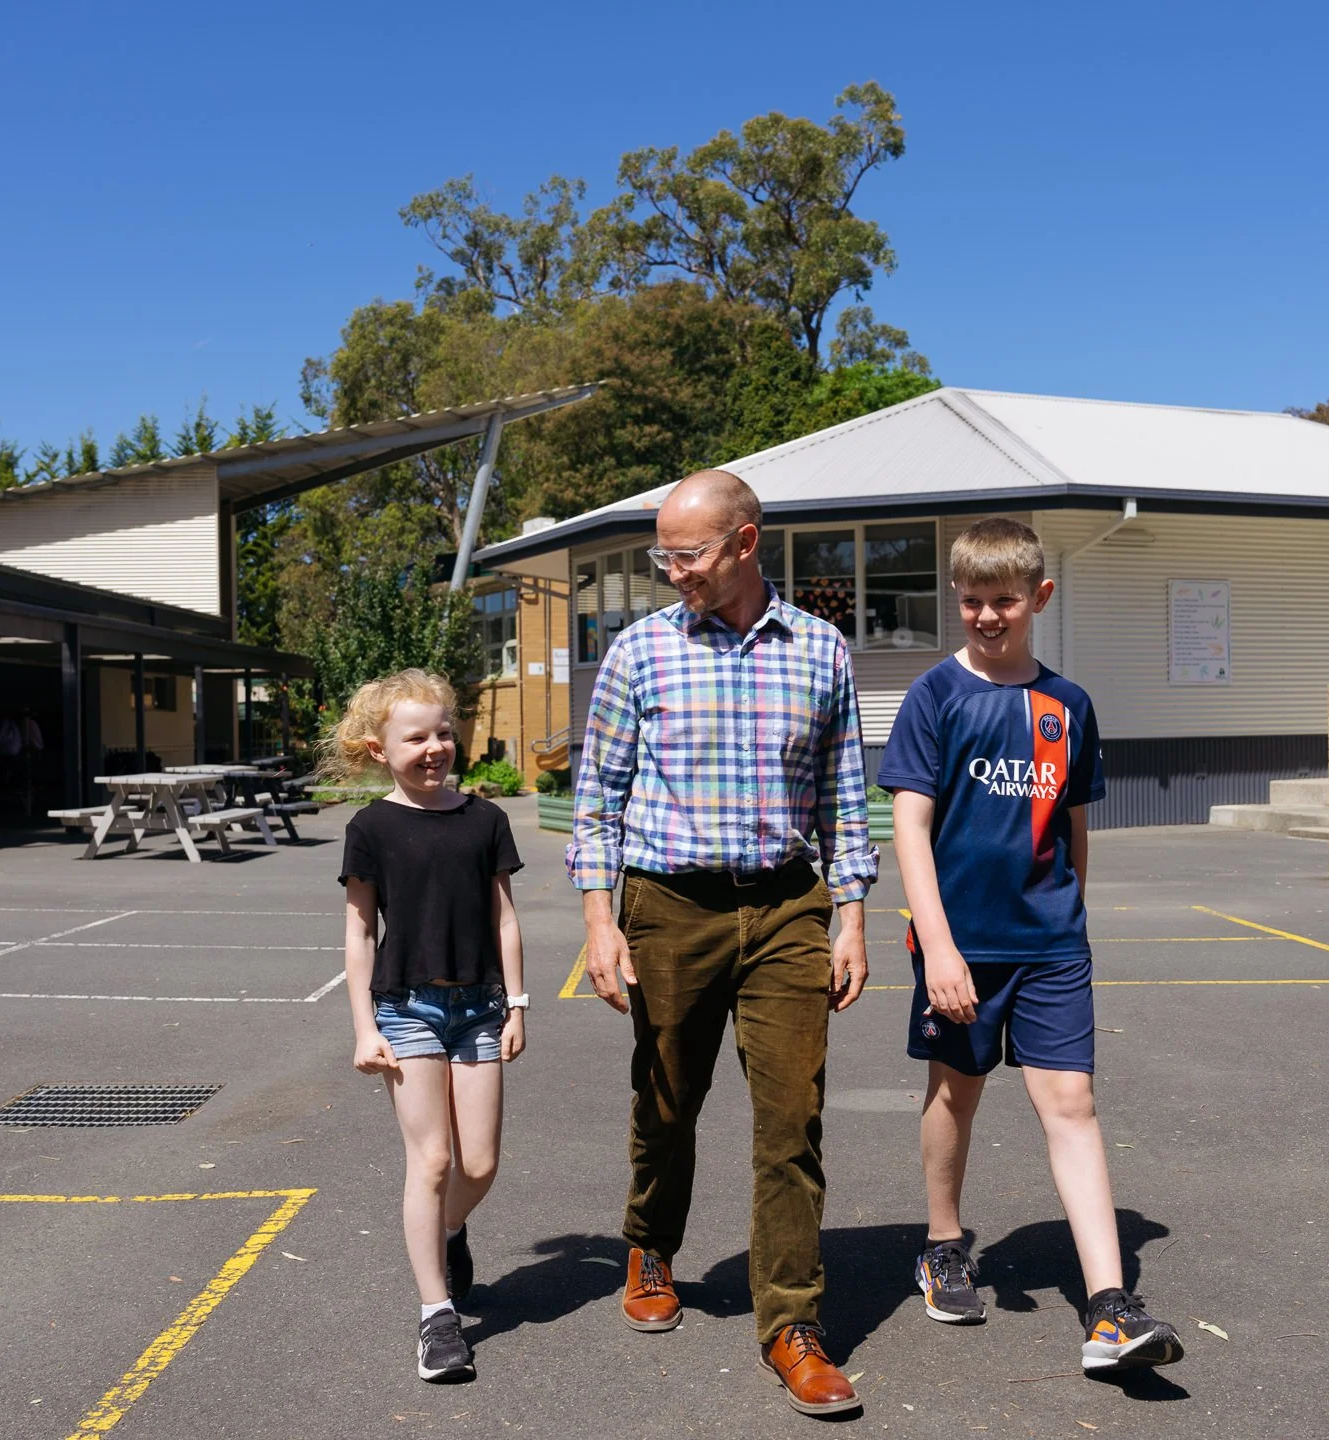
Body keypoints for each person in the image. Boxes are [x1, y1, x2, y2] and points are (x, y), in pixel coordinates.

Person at [570, 470, 876, 1418]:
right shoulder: (640, 652)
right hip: (669, 906)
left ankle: (792, 1323)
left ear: (746, 544)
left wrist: (853, 914)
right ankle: (651, 1242)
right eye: (662, 554)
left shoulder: (821, 650)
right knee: (667, 1098)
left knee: (793, 1120)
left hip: (789, 909)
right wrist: (599, 919)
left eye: (687, 553)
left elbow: (842, 794)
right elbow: (598, 796)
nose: (671, 572)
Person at [877, 518, 1182, 1374]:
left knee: (1072, 1104)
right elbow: (909, 825)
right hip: (960, 946)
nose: (984, 616)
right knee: (956, 1093)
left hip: (1050, 947)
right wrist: (937, 948)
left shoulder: (1068, 706)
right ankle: (943, 1244)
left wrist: (1071, 917)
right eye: (970, 600)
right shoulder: (937, 696)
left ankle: (1111, 1308)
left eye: (1002, 600)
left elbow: (1075, 827)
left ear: (1039, 598)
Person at [331, 669, 529, 1384]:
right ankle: (436, 1317)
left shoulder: (484, 820)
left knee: (479, 1164)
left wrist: (517, 1003)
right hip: (406, 1009)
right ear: (379, 749)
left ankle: (449, 1231)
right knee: (434, 1160)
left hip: (479, 1006)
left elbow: (504, 917)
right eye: (416, 737)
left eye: (443, 732)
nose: (435, 746)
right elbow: (358, 935)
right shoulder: (371, 828)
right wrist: (363, 1028)